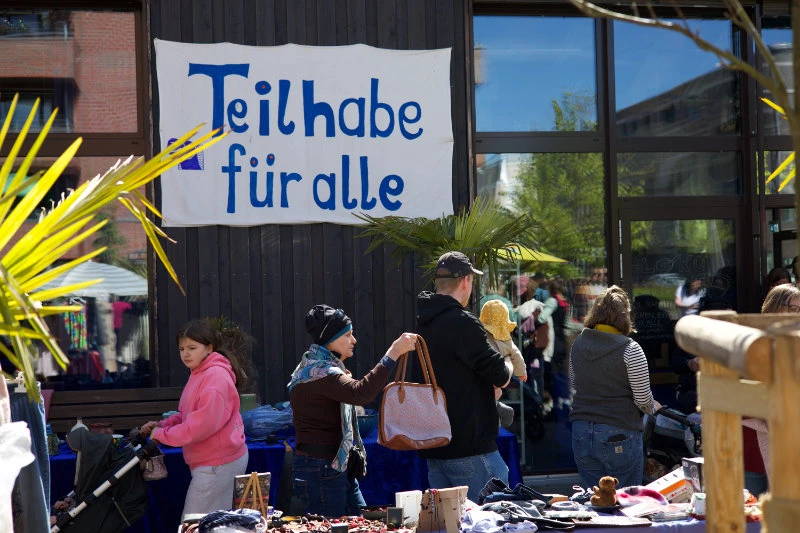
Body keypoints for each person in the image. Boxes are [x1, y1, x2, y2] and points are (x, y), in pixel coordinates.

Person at [288, 304, 417, 517]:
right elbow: (361, 393)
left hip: (336, 467)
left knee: (363, 522)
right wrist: (393, 352)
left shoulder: (319, 368)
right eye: (347, 335)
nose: (354, 340)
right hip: (322, 470)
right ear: (330, 339)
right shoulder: (320, 372)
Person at [416, 251, 513, 503]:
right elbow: (501, 375)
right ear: (466, 281)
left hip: (435, 448)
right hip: (470, 447)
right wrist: (510, 362)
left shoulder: (423, 322)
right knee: (494, 521)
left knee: (451, 526)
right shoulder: (462, 322)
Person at [140, 319, 249, 520]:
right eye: (181, 349)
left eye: (192, 347)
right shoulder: (200, 372)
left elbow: (200, 426)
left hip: (218, 462)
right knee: (214, 524)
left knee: (194, 523)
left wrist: (162, 435)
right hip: (214, 460)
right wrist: (163, 425)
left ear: (209, 347)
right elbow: (188, 414)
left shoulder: (214, 376)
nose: (185, 354)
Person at [569, 286, 661, 489]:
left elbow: (575, 384)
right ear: (625, 316)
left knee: (592, 501)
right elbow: (643, 400)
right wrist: (654, 408)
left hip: (581, 431)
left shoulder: (578, 343)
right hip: (619, 432)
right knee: (625, 503)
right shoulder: (630, 348)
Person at [743, 284, 800, 496]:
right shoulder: (752, 342)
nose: (798, 314)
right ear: (774, 307)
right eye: (793, 308)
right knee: (752, 518)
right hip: (754, 447)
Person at [479, 299, 527, 427]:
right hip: (499, 377)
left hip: (485, 376)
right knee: (497, 393)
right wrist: (521, 372)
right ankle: (495, 412)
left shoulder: (481, 336)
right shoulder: (506, 339)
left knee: (490, 394)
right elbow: (517, 356)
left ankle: (494, 412)